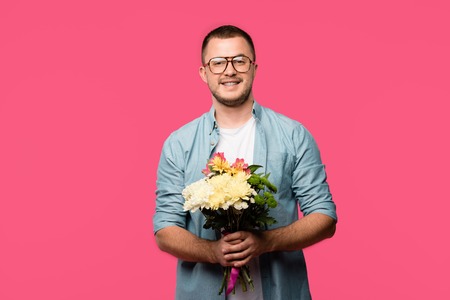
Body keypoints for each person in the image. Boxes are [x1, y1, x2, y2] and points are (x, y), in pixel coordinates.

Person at [153, 25, 337, 300]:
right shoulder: (178, 144)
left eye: (239, 61)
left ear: (254, 68)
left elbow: (324, 216)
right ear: (204, 73)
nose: (229, 71)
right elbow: (165, 229)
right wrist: (212, 252)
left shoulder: (293, 135)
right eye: (218, 63)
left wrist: (267, 241)